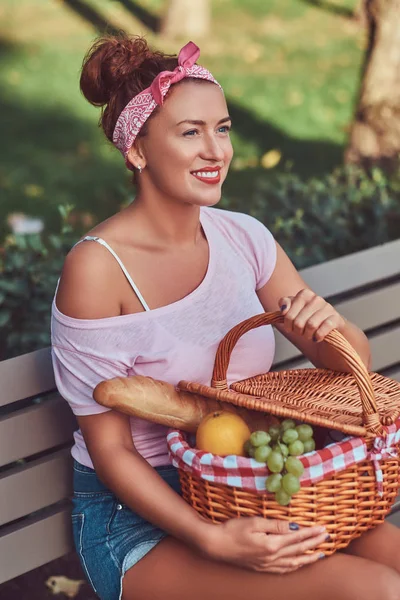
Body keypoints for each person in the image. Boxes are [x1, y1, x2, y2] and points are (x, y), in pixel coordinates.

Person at [51, 34, 400, 600]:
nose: (216, 151)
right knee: (374, 590)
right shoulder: (98, 270)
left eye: (224, 128)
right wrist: (213, 541)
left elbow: (353, 364)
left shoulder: (244, 238)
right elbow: (112, 451)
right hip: (141, 520)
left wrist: (321, 328)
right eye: (190, 132)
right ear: (136, 151)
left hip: (246, 485)